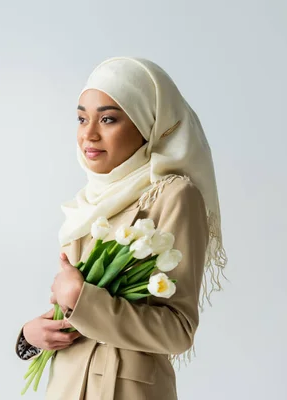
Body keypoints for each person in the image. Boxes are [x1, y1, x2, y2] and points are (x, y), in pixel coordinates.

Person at [15, 57, 227, 400]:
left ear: (147, 123)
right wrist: (31, 335)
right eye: (82, 118)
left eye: (108, 119)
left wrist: (81, 299)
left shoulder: (172, 195)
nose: (89, 133)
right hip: (66, 386)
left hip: (123, 390)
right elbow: (78, 309)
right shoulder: (90, 200)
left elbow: (178, 330)